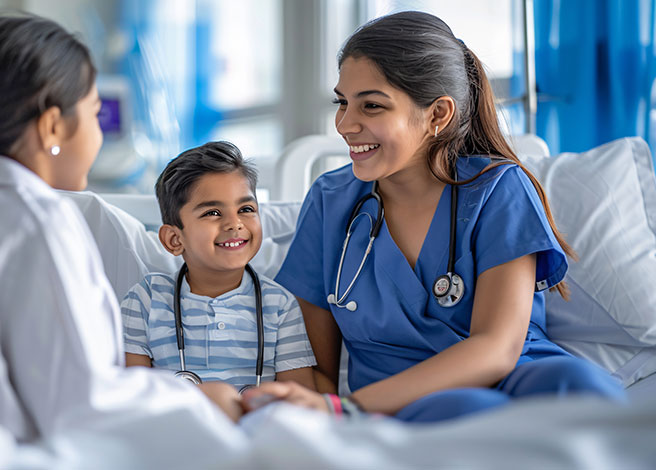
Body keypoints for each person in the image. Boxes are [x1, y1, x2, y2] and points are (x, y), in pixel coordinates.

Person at [0, 13, 240, 441]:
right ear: (53, 125)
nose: (98, 132)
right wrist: (200, 400)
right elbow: (84, 412)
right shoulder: (37, 221)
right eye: (94, 113)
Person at [243, 11, 626, 422]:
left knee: (582, 386)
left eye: (371, 105)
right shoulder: (331, 202)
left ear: (438, 115)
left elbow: (497, 347)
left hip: (517, 374)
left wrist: (344, 407)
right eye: (342, 102)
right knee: (466, 411)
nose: (344, 124)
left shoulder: (499, 189)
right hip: (395, 401)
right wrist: (311, 412)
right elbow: (313, 369)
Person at [121, 141, 317, 397]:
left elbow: (298, 399)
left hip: (255, 428)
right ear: (174, 239)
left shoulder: (279, 305)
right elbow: (133, 396)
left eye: (246, 209)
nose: (234, 224)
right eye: (213, 212)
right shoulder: (145, 300)